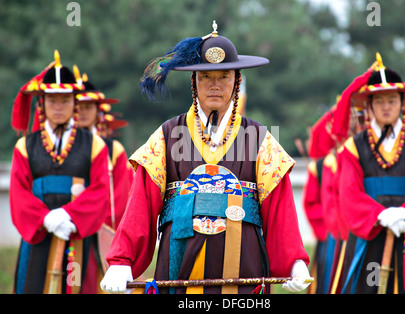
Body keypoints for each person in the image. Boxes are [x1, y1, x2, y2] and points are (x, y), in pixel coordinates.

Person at [101, 21, 311, 294]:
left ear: (236, 81)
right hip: (178, 271)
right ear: (194, 82)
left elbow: (280, 210)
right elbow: (141, 204)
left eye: (224, 76)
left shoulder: (260, 139)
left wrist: (295, 261)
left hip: (243, 276)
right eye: (205, 77)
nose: (215, 86)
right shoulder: (167, 135)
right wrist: (122, 261)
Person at [338, 53, 405, 294]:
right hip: (370, 235)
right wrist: (380, 216)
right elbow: (349, 192)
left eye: (392, 100)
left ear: (403, 103)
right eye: (379, 101)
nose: (386, 107)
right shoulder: (354, 146)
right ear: (369, 105)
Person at [9, 51, 110, 294]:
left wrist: (69, 215)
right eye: (52, 99)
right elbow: (18, 193)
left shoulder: (94, 145)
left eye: (65, 100)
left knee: (74, 287)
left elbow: (100, 189)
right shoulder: (25, 146)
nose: (58, 106)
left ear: (75, 103)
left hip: (75, 231)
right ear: (42, 102)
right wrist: (45, 218)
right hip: (37, 233)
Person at [75, 72, 132, 230]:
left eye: (88, 107)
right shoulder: (59, 148)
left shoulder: (114, 150)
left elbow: (120, 198)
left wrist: (103, 227)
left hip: (103, 227)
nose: (83, 112)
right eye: (78, 106)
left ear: (98, 110)